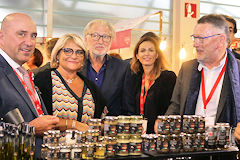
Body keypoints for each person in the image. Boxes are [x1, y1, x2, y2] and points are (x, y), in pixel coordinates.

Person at [0, 13, 59, 158]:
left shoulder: (21, 71)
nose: (30, 42)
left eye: (33, 36)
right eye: (21, 34)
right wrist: (30, 129)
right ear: (1, 36)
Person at [165, 14, 240, 128]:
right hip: (190, 141)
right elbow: (176, 105)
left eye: (201, 38)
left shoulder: (237, 71)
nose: (195, 44)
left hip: (225, 143)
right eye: (194, 38)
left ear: (220, 40)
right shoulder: (187, 68)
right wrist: (165, 122)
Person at [34, 33, 107, 131]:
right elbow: (38, 120)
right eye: (68, 51)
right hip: (51, 145)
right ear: (57, 55)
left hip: (85, 145)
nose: (74, 56)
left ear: (83, 58)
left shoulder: (90, 87)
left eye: (79, 52)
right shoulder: (43, 81)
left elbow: (102, 119)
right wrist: (74, 125)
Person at [82, 19, 132, 116]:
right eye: (95, 36)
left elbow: (128, 107)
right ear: (85, 38)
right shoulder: (76, 65)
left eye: (105, 37)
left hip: (111, 128)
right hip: (81, 127)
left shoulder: (123, 68)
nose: (100, 41)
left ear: (111, 41)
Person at [130, 36, 176, 134]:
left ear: (157, 55)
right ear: (137, 55)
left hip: (159, 132)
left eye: (151, 50)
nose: (146, 54)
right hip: (138, 133)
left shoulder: (168, 77)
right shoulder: (134, 79)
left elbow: (174, 105)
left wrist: (163, 120)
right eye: (142, 50)